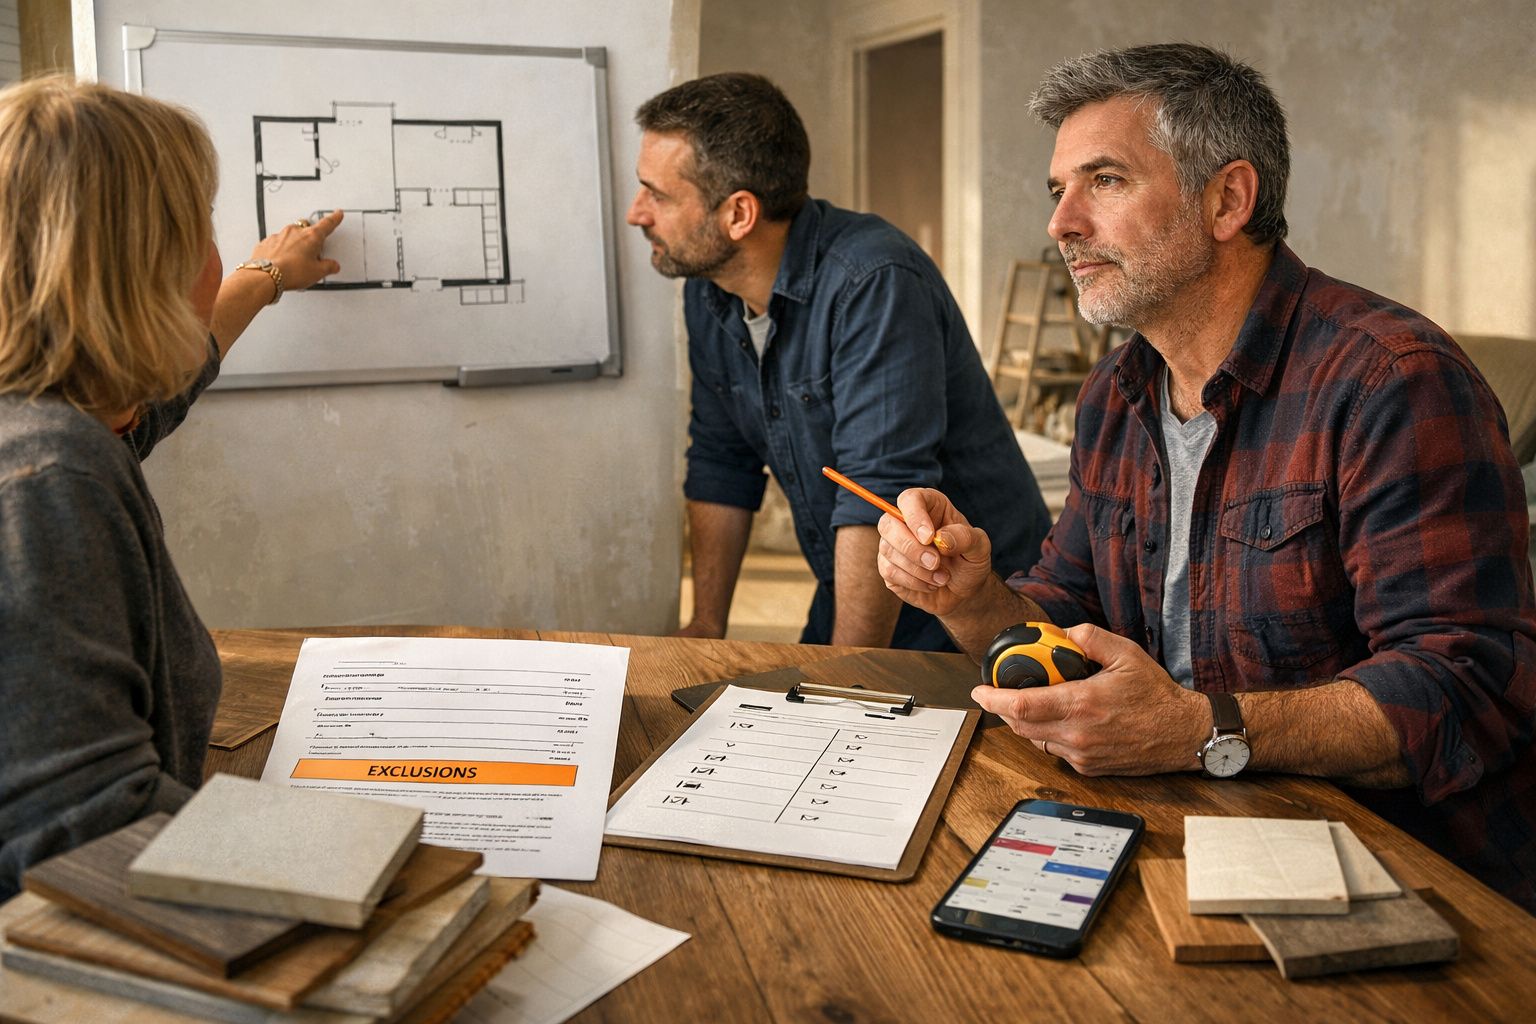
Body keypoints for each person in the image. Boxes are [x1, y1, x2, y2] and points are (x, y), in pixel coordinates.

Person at [876, 44, 1536, 911]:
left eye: (1104, 181)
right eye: (1057, 190)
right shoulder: (1117, 393)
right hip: (1182, 827)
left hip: (1403, 877)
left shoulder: (1393, 382)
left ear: (1228, 199)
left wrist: (1198, 731)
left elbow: (1466, 684)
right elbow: (1067, 617)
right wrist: (969, 597)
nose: (1061, 223)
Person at [0, 77, 341, 897]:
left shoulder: (56, 422)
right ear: (146, 263)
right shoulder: (47, 474)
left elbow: (142, 412)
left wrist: (267, 274)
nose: (217, 255)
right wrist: (390, 861)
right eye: (203, 229)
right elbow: (89, 825)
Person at [626, 72, 1050, 650]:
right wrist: (707, 626)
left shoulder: (875, 283)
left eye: (659, 195)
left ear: (739, 215)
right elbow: (720, 462)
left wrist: (847, 672)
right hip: (854, 579)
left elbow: (876, 490)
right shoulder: (711, 289)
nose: (636, 213)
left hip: (975, 601)